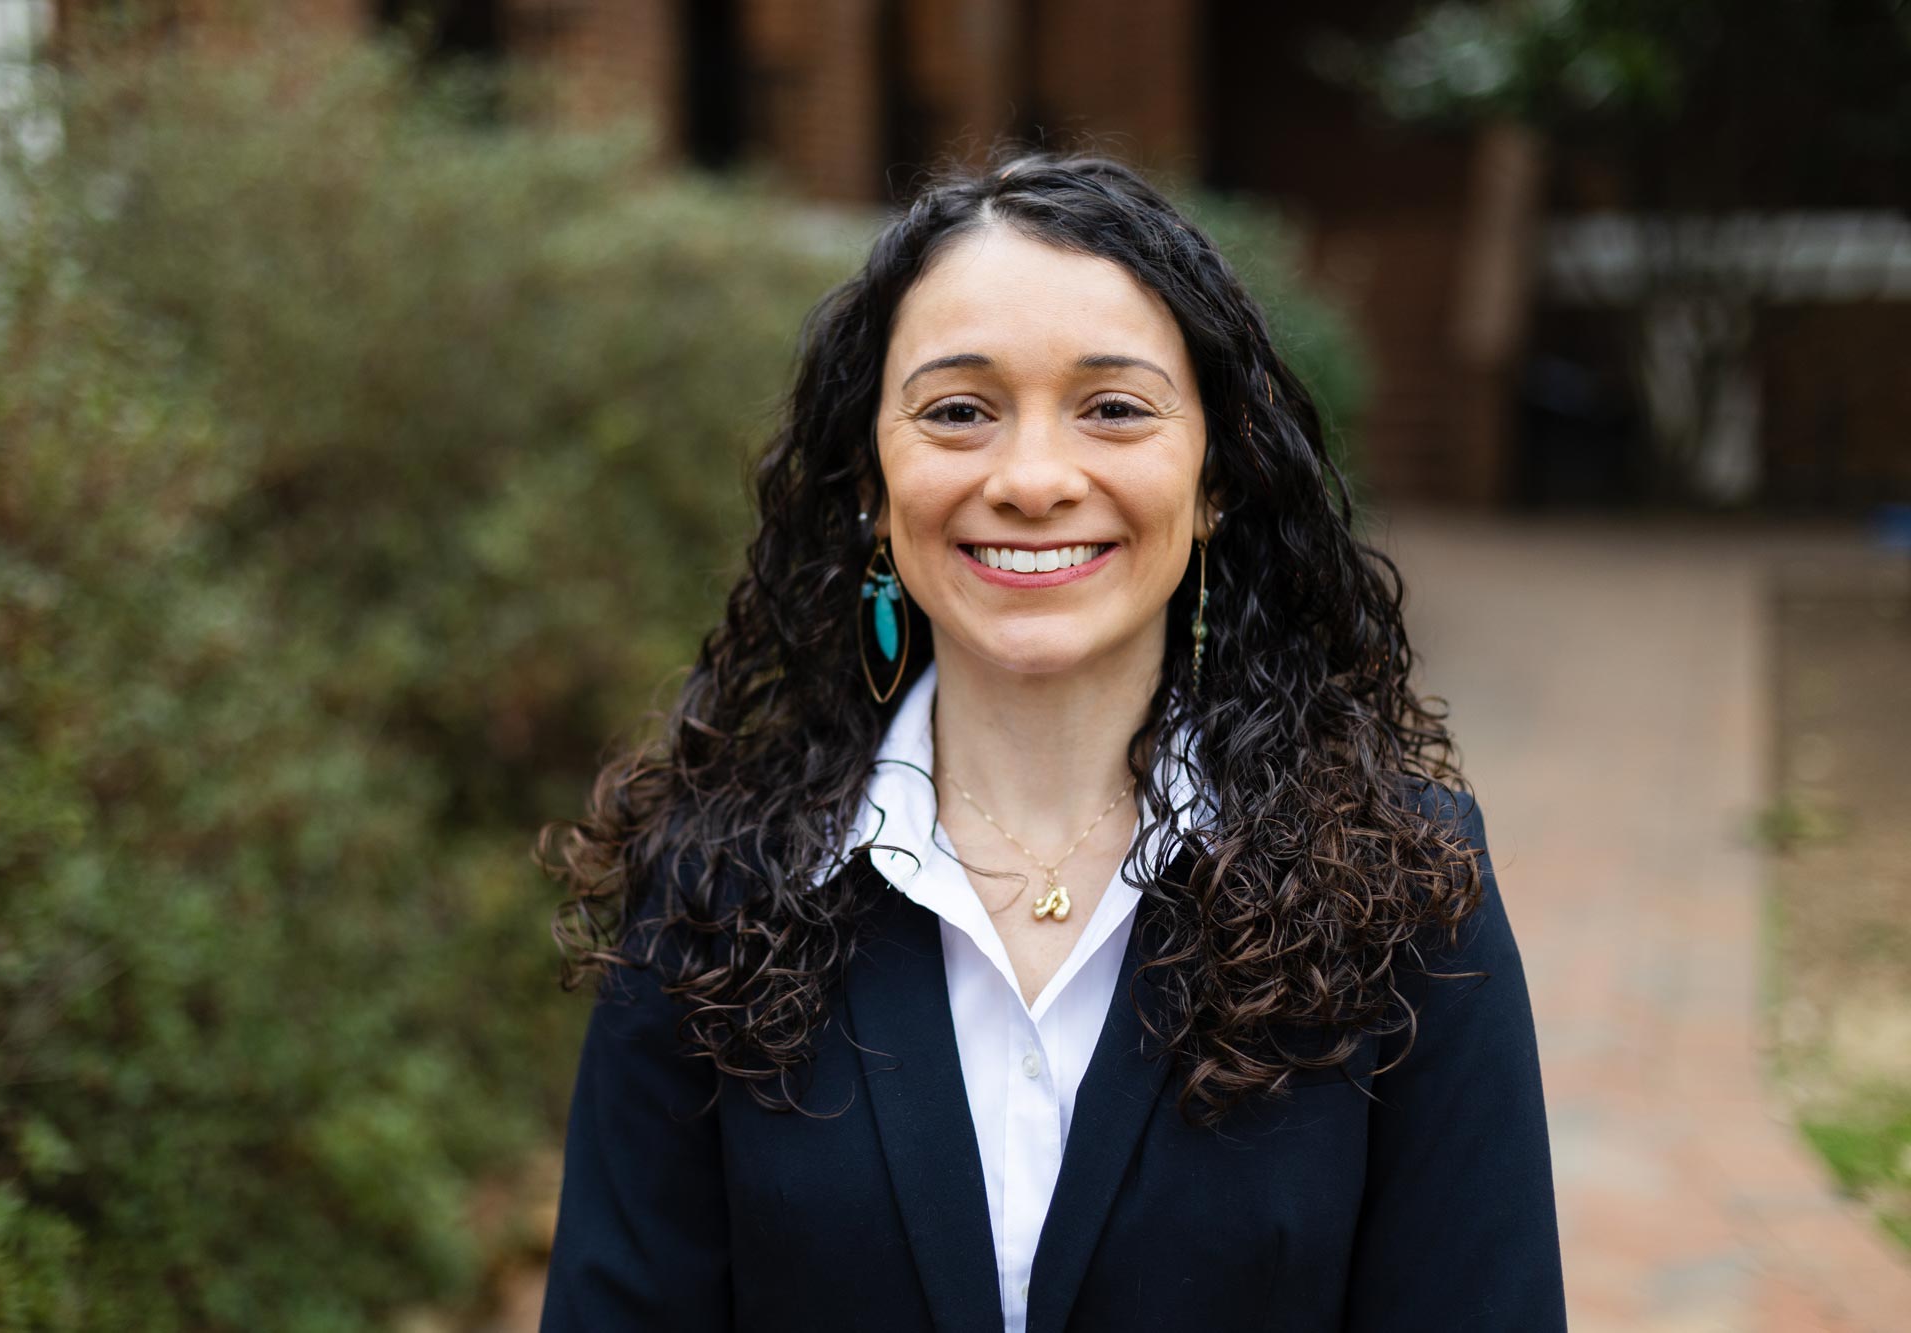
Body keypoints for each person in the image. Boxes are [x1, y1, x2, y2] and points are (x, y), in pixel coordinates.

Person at [535, 151, 1565, 1332]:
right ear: (871, 477)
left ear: (1215, 475)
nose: (1031, 479)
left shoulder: (1401, 891)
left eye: (1112, 407)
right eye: (958, 411)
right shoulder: (710, 883)